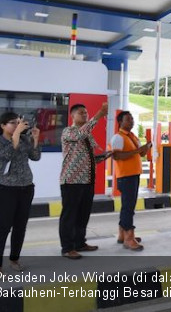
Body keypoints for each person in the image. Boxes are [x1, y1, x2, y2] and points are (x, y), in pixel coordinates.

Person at [0, 112, 40, 276]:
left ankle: (14, 259)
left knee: (20, 227)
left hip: (26, 189)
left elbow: (35, 156)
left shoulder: (24, 139)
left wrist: (35, 140)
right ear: (3, 125)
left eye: (19, 123)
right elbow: (7, 155)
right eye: (13, 123)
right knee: (3, 228)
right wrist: (17, 133)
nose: (17, 125)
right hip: (5, 190)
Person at [59, 102, 110, 259]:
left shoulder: (87, 134)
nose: (85, 115)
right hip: (72, 181)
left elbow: (87, 157)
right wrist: (99, 115)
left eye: (86, 113)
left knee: (83, 215)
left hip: (87, 180)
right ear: (72, 116)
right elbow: (80, 134)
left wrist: (103, 157)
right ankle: (67, 248)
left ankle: (80, 243)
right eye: (81, 113)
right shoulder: (69, 131)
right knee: (70, 216)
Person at [110, 111, 151, 251]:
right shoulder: (118, 137)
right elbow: (117, 156)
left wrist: (145, 148)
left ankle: (122, 234)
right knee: (128, 208)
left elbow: (141, 153)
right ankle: (129, 238)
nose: (131, 121)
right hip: (125, 176)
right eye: (128, 119)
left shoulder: (132, 136)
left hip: (134, 175)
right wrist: (137, 150)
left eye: (132, 119)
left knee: (127, 206)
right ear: (120, 122)